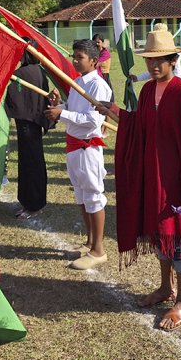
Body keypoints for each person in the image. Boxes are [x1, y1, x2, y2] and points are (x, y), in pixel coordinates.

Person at [100, 27, 181, 331]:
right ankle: (166, 287)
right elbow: (140, 126)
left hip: (179, 182)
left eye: (160, 60)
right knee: (159, 234)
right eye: (150, 60)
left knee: (180, 239)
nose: (153, 65)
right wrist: (115, 112)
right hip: (156, 178)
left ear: (173, 60)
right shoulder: (148, 90)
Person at [45, 39, 112, 270]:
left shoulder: (98, 86)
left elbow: (93, 120)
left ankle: (98, 250)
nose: (75, 60)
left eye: (79, 57)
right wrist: (60, 106)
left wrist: (62, 115)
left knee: (93, 195)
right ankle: (90, 242)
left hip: (88, 147)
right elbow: (74, 110)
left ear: (94, 61)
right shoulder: (77, 82)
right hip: (74, 146)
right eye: (74, 56)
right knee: (81, 195)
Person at [4, 41, 52, 219]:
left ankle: (33, 204)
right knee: (33, 162)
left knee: (31, 164)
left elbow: (13, 98)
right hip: (34, 123)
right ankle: (31, 201)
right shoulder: (40, 71)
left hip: (27, 124)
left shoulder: (20, 74)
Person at [93, 34, 113, 99]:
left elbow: (95, 65)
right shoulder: (95, 52)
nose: (96, 44)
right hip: (96, 75)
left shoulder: (105, 53)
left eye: (98, 42)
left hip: (104, 75)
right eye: (95, 42)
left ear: (102, 42)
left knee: (106, 94)